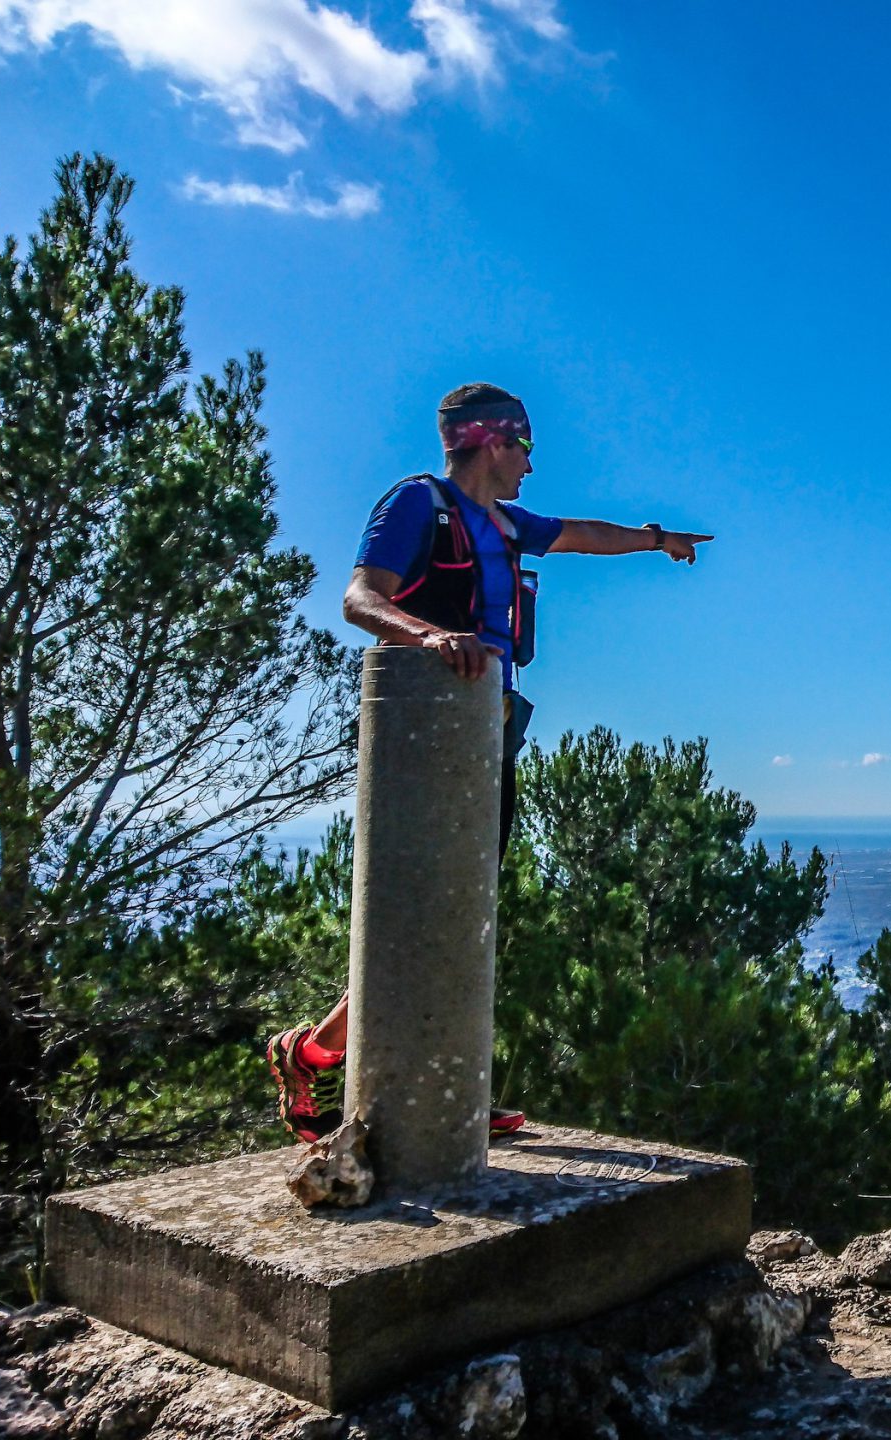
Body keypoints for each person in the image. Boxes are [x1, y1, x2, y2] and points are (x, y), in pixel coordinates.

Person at [265, 382, 713, 1144]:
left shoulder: (506, 523)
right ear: (490, 441)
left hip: (488, 732)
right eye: (527, 447)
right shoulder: (419, 504)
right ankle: (344, 1067)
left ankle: (352, 1064)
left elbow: (580, 534)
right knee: (418, 913)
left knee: (460, 910)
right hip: (425, 737)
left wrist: (655, 538)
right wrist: (428, 636)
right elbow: (358, 598)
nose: (533, 466)